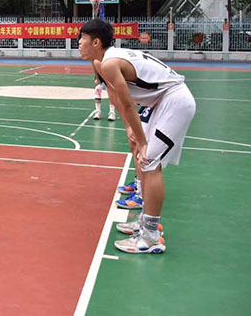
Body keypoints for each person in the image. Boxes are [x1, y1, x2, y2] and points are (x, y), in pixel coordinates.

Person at [79, 19, 196, 254]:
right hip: (159, 102)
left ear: (96, 42)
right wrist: (130, 130)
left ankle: (151, 236)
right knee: (142, 157)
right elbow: (118, 101)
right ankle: (144, 221)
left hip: (174, 101)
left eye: (82, 39)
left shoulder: (110, 63)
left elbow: (129, 105)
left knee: (149, 161)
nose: (79, 43)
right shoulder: (103, 62)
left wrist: (143, 142)